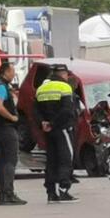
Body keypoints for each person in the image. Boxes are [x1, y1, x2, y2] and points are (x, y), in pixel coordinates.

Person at [34, 64, 79, 203]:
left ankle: (51, 192)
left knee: (52, 160)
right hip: (63, 128)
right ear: (63, 74)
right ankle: (64, 190)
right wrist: (54, 123)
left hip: (48, 130)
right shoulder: (65, 87)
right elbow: (67, 110)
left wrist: (43, 123)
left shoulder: (41, 88)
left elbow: (35, 110)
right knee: (66, 158)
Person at [0, 62, 27, 206]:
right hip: (6, 127)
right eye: (12, 71)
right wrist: (11, 117)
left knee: (2, 161)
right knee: (10, 161)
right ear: (6, 72)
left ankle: (3, 195)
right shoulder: (1, 86)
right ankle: (8, 194)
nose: (14, 74)